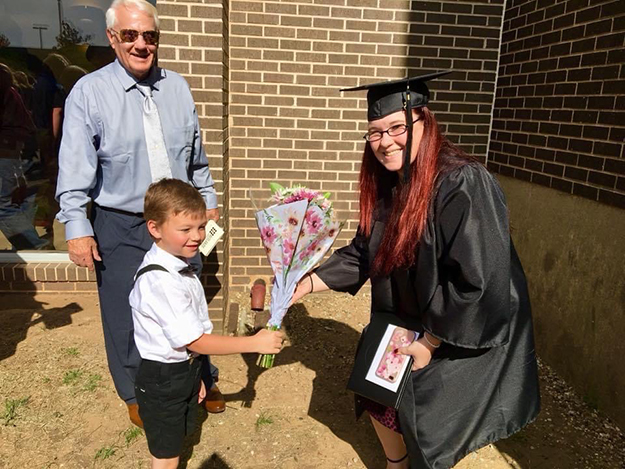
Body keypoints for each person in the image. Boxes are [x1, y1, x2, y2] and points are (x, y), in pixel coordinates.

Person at [291, 72, 541, 469]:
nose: (384, 141)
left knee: (427, 416)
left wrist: (431, 341)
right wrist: (304, 284)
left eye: (395, 127)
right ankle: (397, 461)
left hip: (459, 324)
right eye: (374, 132)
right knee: (375, 384)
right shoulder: (390, 184)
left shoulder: (461, 182)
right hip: (408, 314)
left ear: (424, 120)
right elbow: (363, 253)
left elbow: (479, 278)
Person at [55, 0, 225, 427]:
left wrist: (207, 200)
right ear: (112, 38)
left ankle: (203, 376)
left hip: (178, 219)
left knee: (190, 301)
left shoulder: (178, 88)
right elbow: (74, 165)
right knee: (125, 311)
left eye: (149, 35)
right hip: (120, 221)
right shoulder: (89, 92)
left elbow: (197, 157)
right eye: (130, 35)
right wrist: (77, 225)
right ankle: (136, 390)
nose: (141, 44)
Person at [130, 179, 284, 469]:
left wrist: (195, 376)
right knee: (165, 453)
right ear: (155, 228)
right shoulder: (161, 281)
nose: (197, 236)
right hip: (163, 378)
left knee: (177, 435)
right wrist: (254, 342)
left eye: (200, 227)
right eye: (185, 229)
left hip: (181, 371)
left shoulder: (177, 266)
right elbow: (195, 340)